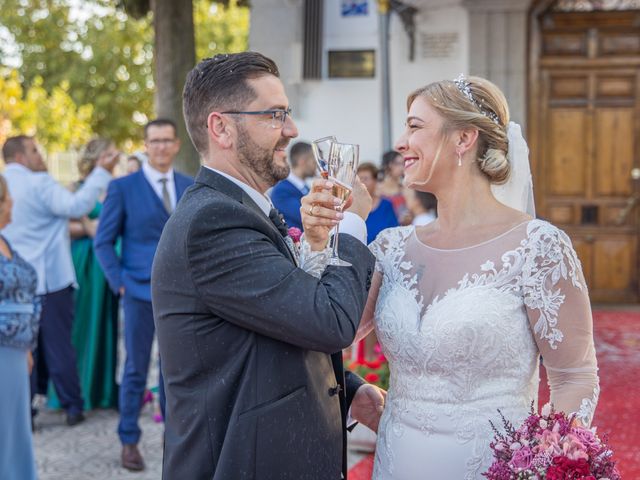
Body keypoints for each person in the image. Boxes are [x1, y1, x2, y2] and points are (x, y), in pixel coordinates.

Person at [315, 75, 600, 479]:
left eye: (414, 126)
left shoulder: (538, 247)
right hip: (397, 462)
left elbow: (574, 376)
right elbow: (331, 330)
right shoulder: (390, 248)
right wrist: (343, 231)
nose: (400, 143)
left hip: (491, 466)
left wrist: (541, 465)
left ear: (463, 139)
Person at [152, 51, 385, 480]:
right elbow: (330, 321)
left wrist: (346, 392)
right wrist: (352, 222)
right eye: (275, 115)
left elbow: (271, 329)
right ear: (221, 127)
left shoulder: (243, 209)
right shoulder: (213, 222)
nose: (292, 131)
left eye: (288, 114)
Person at [94, 119, 193, 471]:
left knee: (176, 370)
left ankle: (176, 441)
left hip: (182, 295)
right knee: (135, 368)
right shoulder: (123, 187)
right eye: (155, 141)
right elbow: (103, 241)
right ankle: (129, 440)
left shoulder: (190, 185)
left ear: (177, 144)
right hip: (136, 290)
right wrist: (118, 280)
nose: (162, 147)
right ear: (146, 145)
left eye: (167, 140)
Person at [1, 135, 118, 427]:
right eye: (34, 150)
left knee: (20, 348)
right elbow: (77, 204)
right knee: (59, 345)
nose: (40, 155)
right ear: (19, 157)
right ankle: (72, 406)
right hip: (49, 278)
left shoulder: (4, 184)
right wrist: (102, 171)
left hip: (12, 282)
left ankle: (24, 412)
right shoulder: (39, 183)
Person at [65, 139, 120, 410]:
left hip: (109, 259)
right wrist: (88, 226)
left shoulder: (117, 186)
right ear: (95, 158)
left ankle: (105, 391)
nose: (114, 158)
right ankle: (80, 390)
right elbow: (65, 226)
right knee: (83, 322)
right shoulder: (76, 188)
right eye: (108, 154)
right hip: (84, 259)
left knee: (107, 323)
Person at [0, 174, 40, 480]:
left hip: (16, 353)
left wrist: (27, 346)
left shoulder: (6, 241)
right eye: (7, 196)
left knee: (16, 432)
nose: (12, 201)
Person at [270, 141, 316, 229]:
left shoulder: (306, 188)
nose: (317, 166)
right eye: (314, 161)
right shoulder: (282, 191)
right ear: (302, 161)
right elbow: (307, 218)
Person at [357, 162, 398, 244]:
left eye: (365, 178)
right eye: (359, 179)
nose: (362, 183)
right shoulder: (351, 206)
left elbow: (394, 233)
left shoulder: (386, 205)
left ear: (375, 181)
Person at [378, 150, 409, 224]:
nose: (402, 168)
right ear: (388, 164)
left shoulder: (405, 189)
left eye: (403, 164)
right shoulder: (376, 188)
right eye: (398, 164)